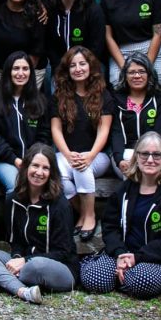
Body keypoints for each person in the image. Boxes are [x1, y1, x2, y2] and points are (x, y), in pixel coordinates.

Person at [81, 132, 161, 298]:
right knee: (93, 278)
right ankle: (122, 274)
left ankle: (124, 278)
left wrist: (137, 258)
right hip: (123, 254)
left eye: (157, 155)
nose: (150, 159)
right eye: (144, 154)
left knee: (141, 280)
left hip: (157, 260)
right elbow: (110, 226)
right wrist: (120, 254)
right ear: (137, 157)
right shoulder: (125, 189)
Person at [0, 143, 77, 304]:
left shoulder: (60, 205)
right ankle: (23, 291)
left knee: (35, 266)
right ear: (26, 167)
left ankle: (4, 278)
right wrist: (16, 257)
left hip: (57, 267)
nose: (39, 172)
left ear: (52, 173)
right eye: (35, 166)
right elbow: (15, 241)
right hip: (24, 262)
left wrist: (25, 260)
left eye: (45, 168)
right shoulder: (13, 199)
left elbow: (63, 252)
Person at [51, 46, 111, 240]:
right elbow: (56, 130)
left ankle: (90, 216)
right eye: (73, 65)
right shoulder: (59, 96)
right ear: (67, 70)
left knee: (82, 167)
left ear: (90, 66)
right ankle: (82, 213)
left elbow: (104, 130)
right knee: (57, 172)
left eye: (82, 64)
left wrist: (90, 155)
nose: (78, 69)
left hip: (97, 156)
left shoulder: (103, 95)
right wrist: (68, 154)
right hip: (67, 154)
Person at [0, 52, 51, 195]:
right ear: (8, 71)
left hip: (35, 160)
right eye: (16, 68)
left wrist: (33, 160)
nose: (20, 73)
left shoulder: (40, 101)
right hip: (5, 161)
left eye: (25, 69)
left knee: (47, 187)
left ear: (31, 73)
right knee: (17, 187)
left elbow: (44, 135)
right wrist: (15, 160)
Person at [105, 54, 161, 175]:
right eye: (131, 72)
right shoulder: (116, 100)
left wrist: (145, 155)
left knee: (145, 166)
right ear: (125, 76)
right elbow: (117, 133)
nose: (137, 76)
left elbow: (160, 132)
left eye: (142, 71)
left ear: (149, 75)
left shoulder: (160, 100)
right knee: (129, 165)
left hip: (154, 153)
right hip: (124, 153)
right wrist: (119, 159)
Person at [44, 0, 107, 68]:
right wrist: (61, 68)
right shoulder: (49, 8)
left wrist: (80, 66)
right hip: (58, 65)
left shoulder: (92, 10)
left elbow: (97, 45)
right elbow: (48, 43)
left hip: (88, 65)